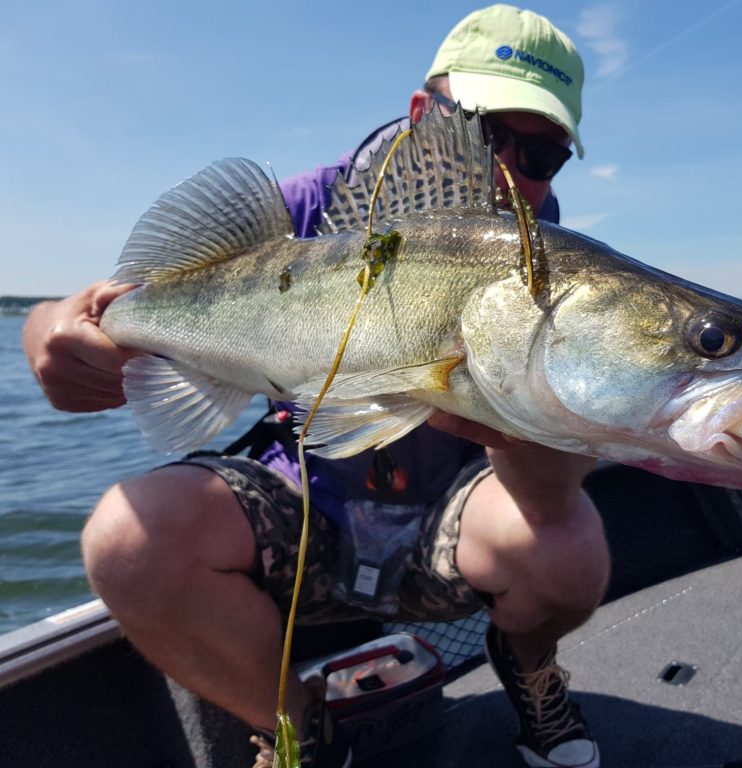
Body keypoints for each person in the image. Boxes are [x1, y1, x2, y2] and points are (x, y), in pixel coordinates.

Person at [22, 5, 608, 768]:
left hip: (450, 521)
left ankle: (532, 672)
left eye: (542, 155)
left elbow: (549, 496)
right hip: (307, 503)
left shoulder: (559, 264)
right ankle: (296, 727)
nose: (508, 171)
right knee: (128, 539)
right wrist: (52, 333)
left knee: (570, 546)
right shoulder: (307, 211)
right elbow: (93, 305)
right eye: (488, 132)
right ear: (424, 115)